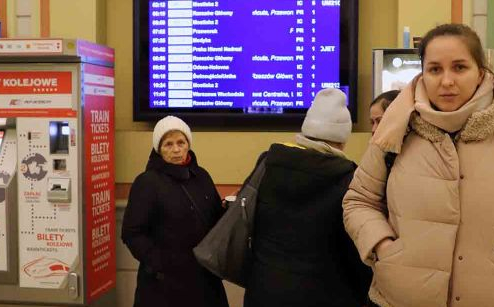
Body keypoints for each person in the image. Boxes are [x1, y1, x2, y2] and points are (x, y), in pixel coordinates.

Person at [343, 24, 494, 307]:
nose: (447, 81)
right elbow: (359, 201)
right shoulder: (395, 130)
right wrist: (384, 249)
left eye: (460, 67)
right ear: (423, 74)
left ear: (481, 72)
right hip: (400, 298)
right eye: (435, 69)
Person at [243, 88, 372, 307]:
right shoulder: (349, 180)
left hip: (264, 290)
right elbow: (354, 256)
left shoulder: (268, 163)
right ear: (342, 140)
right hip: (325, 295)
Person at [122, 116, 228, 307]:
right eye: (168, 144)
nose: (176, 150)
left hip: (204, 280)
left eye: (181, 142)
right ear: (158, 149)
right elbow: (132, 233)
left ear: (189, 144)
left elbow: (214, 217)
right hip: (164, 286)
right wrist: (161, 263)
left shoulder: (201, 176)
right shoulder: (147, 182)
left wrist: (230, 209)